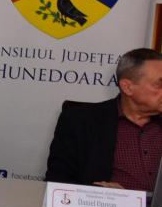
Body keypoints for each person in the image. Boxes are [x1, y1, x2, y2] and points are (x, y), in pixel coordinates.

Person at [44, 48, 162, 191]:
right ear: (128, 87)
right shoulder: (81, 121)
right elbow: (57, 181)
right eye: (159, 84)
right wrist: (103, 195)